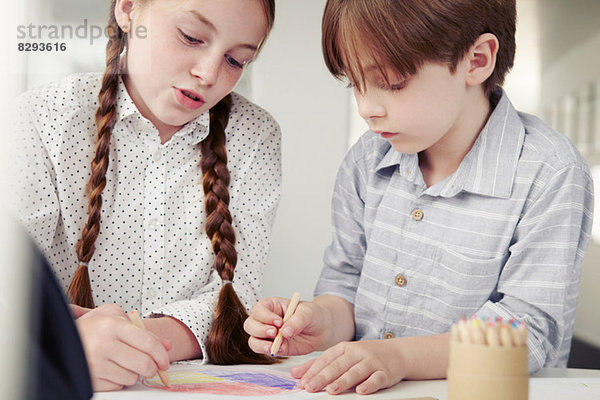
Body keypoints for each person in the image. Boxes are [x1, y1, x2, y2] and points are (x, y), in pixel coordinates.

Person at [244, 0, 594, 395]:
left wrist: (401, 358)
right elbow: (345, 284)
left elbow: (526, 333)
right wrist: (320, 319)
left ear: (477, 60)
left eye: (392, 83)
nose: (366, 108)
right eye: (354, 83)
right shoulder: (366, 160)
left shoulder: (549, 172)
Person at [11, 0, 280, 392]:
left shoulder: (255, 137)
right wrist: (65, 343)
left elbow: (237, 297)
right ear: (128, 9)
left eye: (236, 61)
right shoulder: (40, 119)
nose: (207, 74)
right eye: (190, 37)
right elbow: (13, 286)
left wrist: (128, 344)